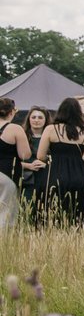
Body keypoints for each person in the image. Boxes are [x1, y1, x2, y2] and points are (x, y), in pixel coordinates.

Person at [41, 98, 84, 228]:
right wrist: (80, 161)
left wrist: (51, 159)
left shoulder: (51, 129)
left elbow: (40, 155)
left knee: (54, 211)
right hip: (78, 175)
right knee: (77, 213)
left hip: (55, 174)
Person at [0, 98, 21, 231]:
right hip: (8, 173)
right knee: (6, 211)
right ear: (11, 112)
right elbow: (25, 154)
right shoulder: (14, 128)